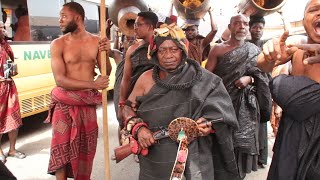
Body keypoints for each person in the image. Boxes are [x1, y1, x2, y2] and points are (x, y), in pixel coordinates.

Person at [122, 23, 240, 180]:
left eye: (173, 50)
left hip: (196, 155)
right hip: (156, 156)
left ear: (183, 51)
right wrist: (138, 128)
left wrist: (210, 124)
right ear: (155, 53)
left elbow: (223, 112)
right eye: (162, 50)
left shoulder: (204, 79)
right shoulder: (145, 79)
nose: (168, 55)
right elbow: (127, 108)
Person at [45, 2, 110, 180]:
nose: (60, 20)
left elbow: (106, 73)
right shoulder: (58, 44)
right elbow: (60, 80)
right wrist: (93, 85)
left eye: (63, 16)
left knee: (85, 151)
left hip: (86, 106)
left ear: (77, 18)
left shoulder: (97, 41)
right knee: (61, 152)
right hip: (64, 105)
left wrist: (107, 53)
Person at [256, 0, 320, 179]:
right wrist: (269, 57)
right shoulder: (297, 49)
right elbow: (262, 64)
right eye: (314, 10)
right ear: (304, 20)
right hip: (291, 138)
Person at [205, 14, 272, 178]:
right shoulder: (218, 49)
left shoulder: (254, 51)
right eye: (237, 23)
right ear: (230, 26)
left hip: (246, 110)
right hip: (221, 106)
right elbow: (206, 79)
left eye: (245, 24)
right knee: (221, 146)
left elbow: (265, 78)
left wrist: (250, 79)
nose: (242, 26)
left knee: (241, 146)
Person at [116, 11, 158, 126]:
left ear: (150, 27)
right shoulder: (132, 50)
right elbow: (126, 79)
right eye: (134, 25)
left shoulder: (162, 48)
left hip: (157, 101)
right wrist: (122, 104)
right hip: (135, 101)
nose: (134, 28)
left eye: (138, 25)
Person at [0, 21, 26, 164]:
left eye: (4, 28)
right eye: (1, 28)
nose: (4, 31)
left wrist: (12, 71)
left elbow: (10, 62)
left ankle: (12, 149)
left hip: (9, 87)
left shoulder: (5, 45)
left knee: (14, 118)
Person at [247, 15, 270, 169]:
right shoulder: (245, 45)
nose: (257, 30)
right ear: (250, 28)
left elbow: (269, 70)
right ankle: (250, 160)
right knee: (250, 123)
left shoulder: (266, 45)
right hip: (249, 91)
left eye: (260, 27)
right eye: (255, 27)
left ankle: (261, 157)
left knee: (262, 123)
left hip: (264, 90)